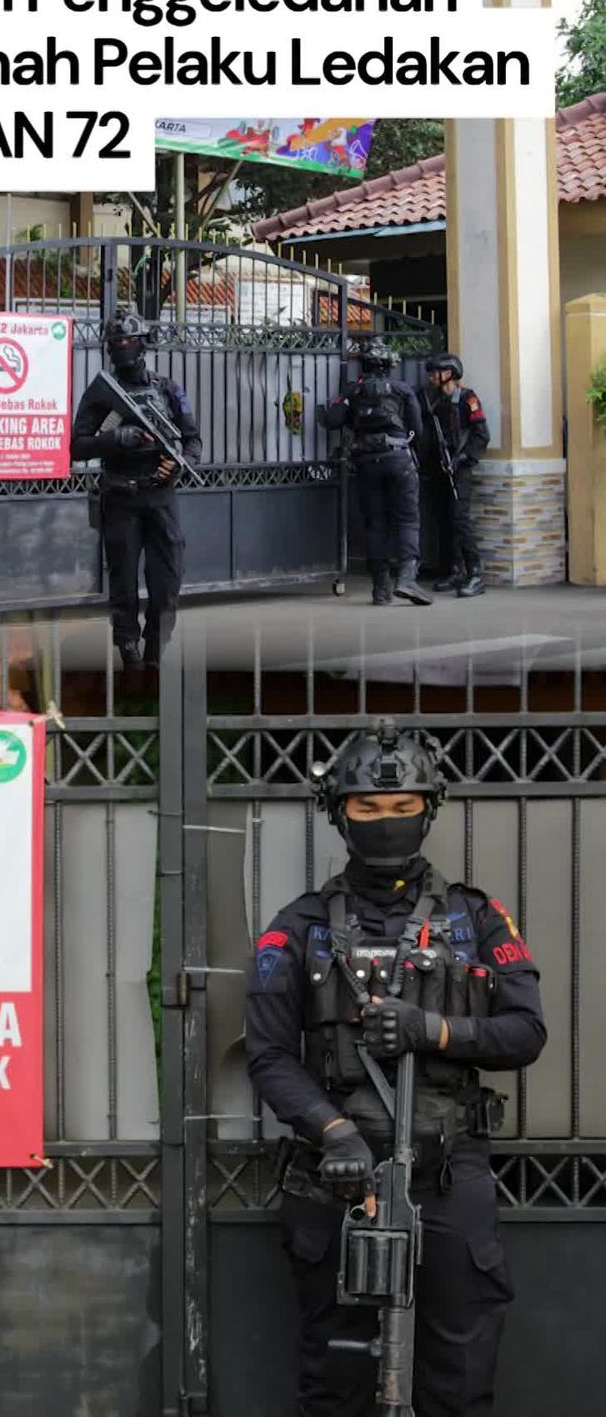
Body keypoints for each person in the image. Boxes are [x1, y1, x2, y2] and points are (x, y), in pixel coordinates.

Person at [245, 718, 546, 1417]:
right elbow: (267, 1054)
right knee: (337, 1380)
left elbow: (526, 1032)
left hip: (446, 1177)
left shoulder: (477, 920)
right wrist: (334, 1131)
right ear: (339, 813)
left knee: (459, 1373)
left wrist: (434, 1029)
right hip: (337, 1182)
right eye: (369, 808)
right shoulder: (298, 927)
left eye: (404, 806)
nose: (388, 822)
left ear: (428, 809)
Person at [70, 309, 202, 672]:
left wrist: (175, 464)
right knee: (124, 581)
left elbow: (192, 442)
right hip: (121, 495)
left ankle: (156, 647)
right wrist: (116, 439)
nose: (122, 347)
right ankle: (128, 648)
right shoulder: (102, 394)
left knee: (168, 579)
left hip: (160, 495)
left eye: (128, 340)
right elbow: (77, 446)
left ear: (143, 342)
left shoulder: (168, 389)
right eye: (116, 343)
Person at [319, 336, 429, 607]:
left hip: (367, 463)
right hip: (398, 460)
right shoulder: (403, 389)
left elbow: (332, 421)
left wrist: (333, 405)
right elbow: (418, 430)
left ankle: (380, 588)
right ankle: (406, 578)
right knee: (407, 520)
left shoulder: (352, 391)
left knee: (376, 524)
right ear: (389, 364)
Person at [420, 352, 491, 598]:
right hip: (440, 468)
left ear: (449, 373)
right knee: (445, 520)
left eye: (436, 372)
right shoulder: (436, 402)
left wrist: (464, 458)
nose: (432, 377)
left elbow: (481, 434)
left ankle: (475, 574)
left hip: (460, 469)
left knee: (461, 520)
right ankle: (456, 570)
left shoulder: (467, 399)